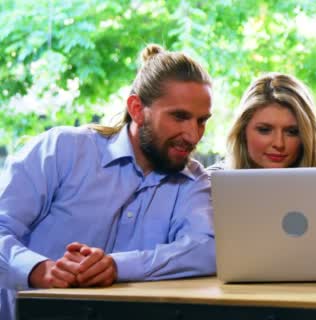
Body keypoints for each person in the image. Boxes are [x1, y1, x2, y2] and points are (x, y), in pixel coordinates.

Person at [0, 44, 216, 319]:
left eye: (201, 121)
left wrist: (117, 266)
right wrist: (38, 270)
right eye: (179, 117)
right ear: (137, 109)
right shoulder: (62, 150)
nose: (193, 135)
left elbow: (206, 250)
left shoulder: (193, 181)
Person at [209, 72, 316, 170]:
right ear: (242, 131)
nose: (279, 144)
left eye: (292, 132)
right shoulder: (209, 186)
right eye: (264, 130)